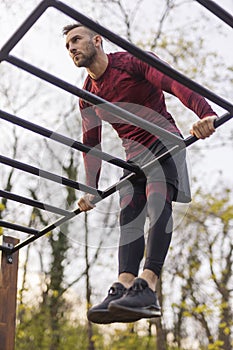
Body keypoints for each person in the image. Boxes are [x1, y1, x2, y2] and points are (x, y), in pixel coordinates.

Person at [63, 23, 217, 324]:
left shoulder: (131, 61)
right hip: (133, 157)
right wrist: (90, 190)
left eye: (76, 40)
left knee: (157, 199)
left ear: (97, 40)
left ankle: (147, 285)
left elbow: (175, 83)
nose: (71, 47)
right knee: (128, 212)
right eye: (67, 45)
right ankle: (122, 287)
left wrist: (205, 113)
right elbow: (90, 144)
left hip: (164, 141)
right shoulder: (87, 95)